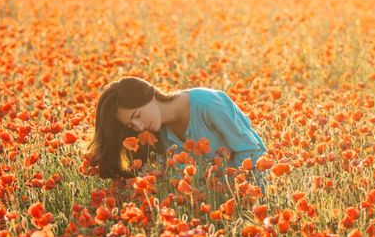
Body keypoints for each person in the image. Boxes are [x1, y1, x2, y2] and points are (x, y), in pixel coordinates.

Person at [86, 76, 268, 188]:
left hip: (251, 187)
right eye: (132, 126)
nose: (140, 127)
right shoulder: (158, 135)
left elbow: (250, 149)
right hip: (208, 202)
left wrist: (238, 191)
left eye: (138, 115)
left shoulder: (208, 104)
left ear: (149, 95)